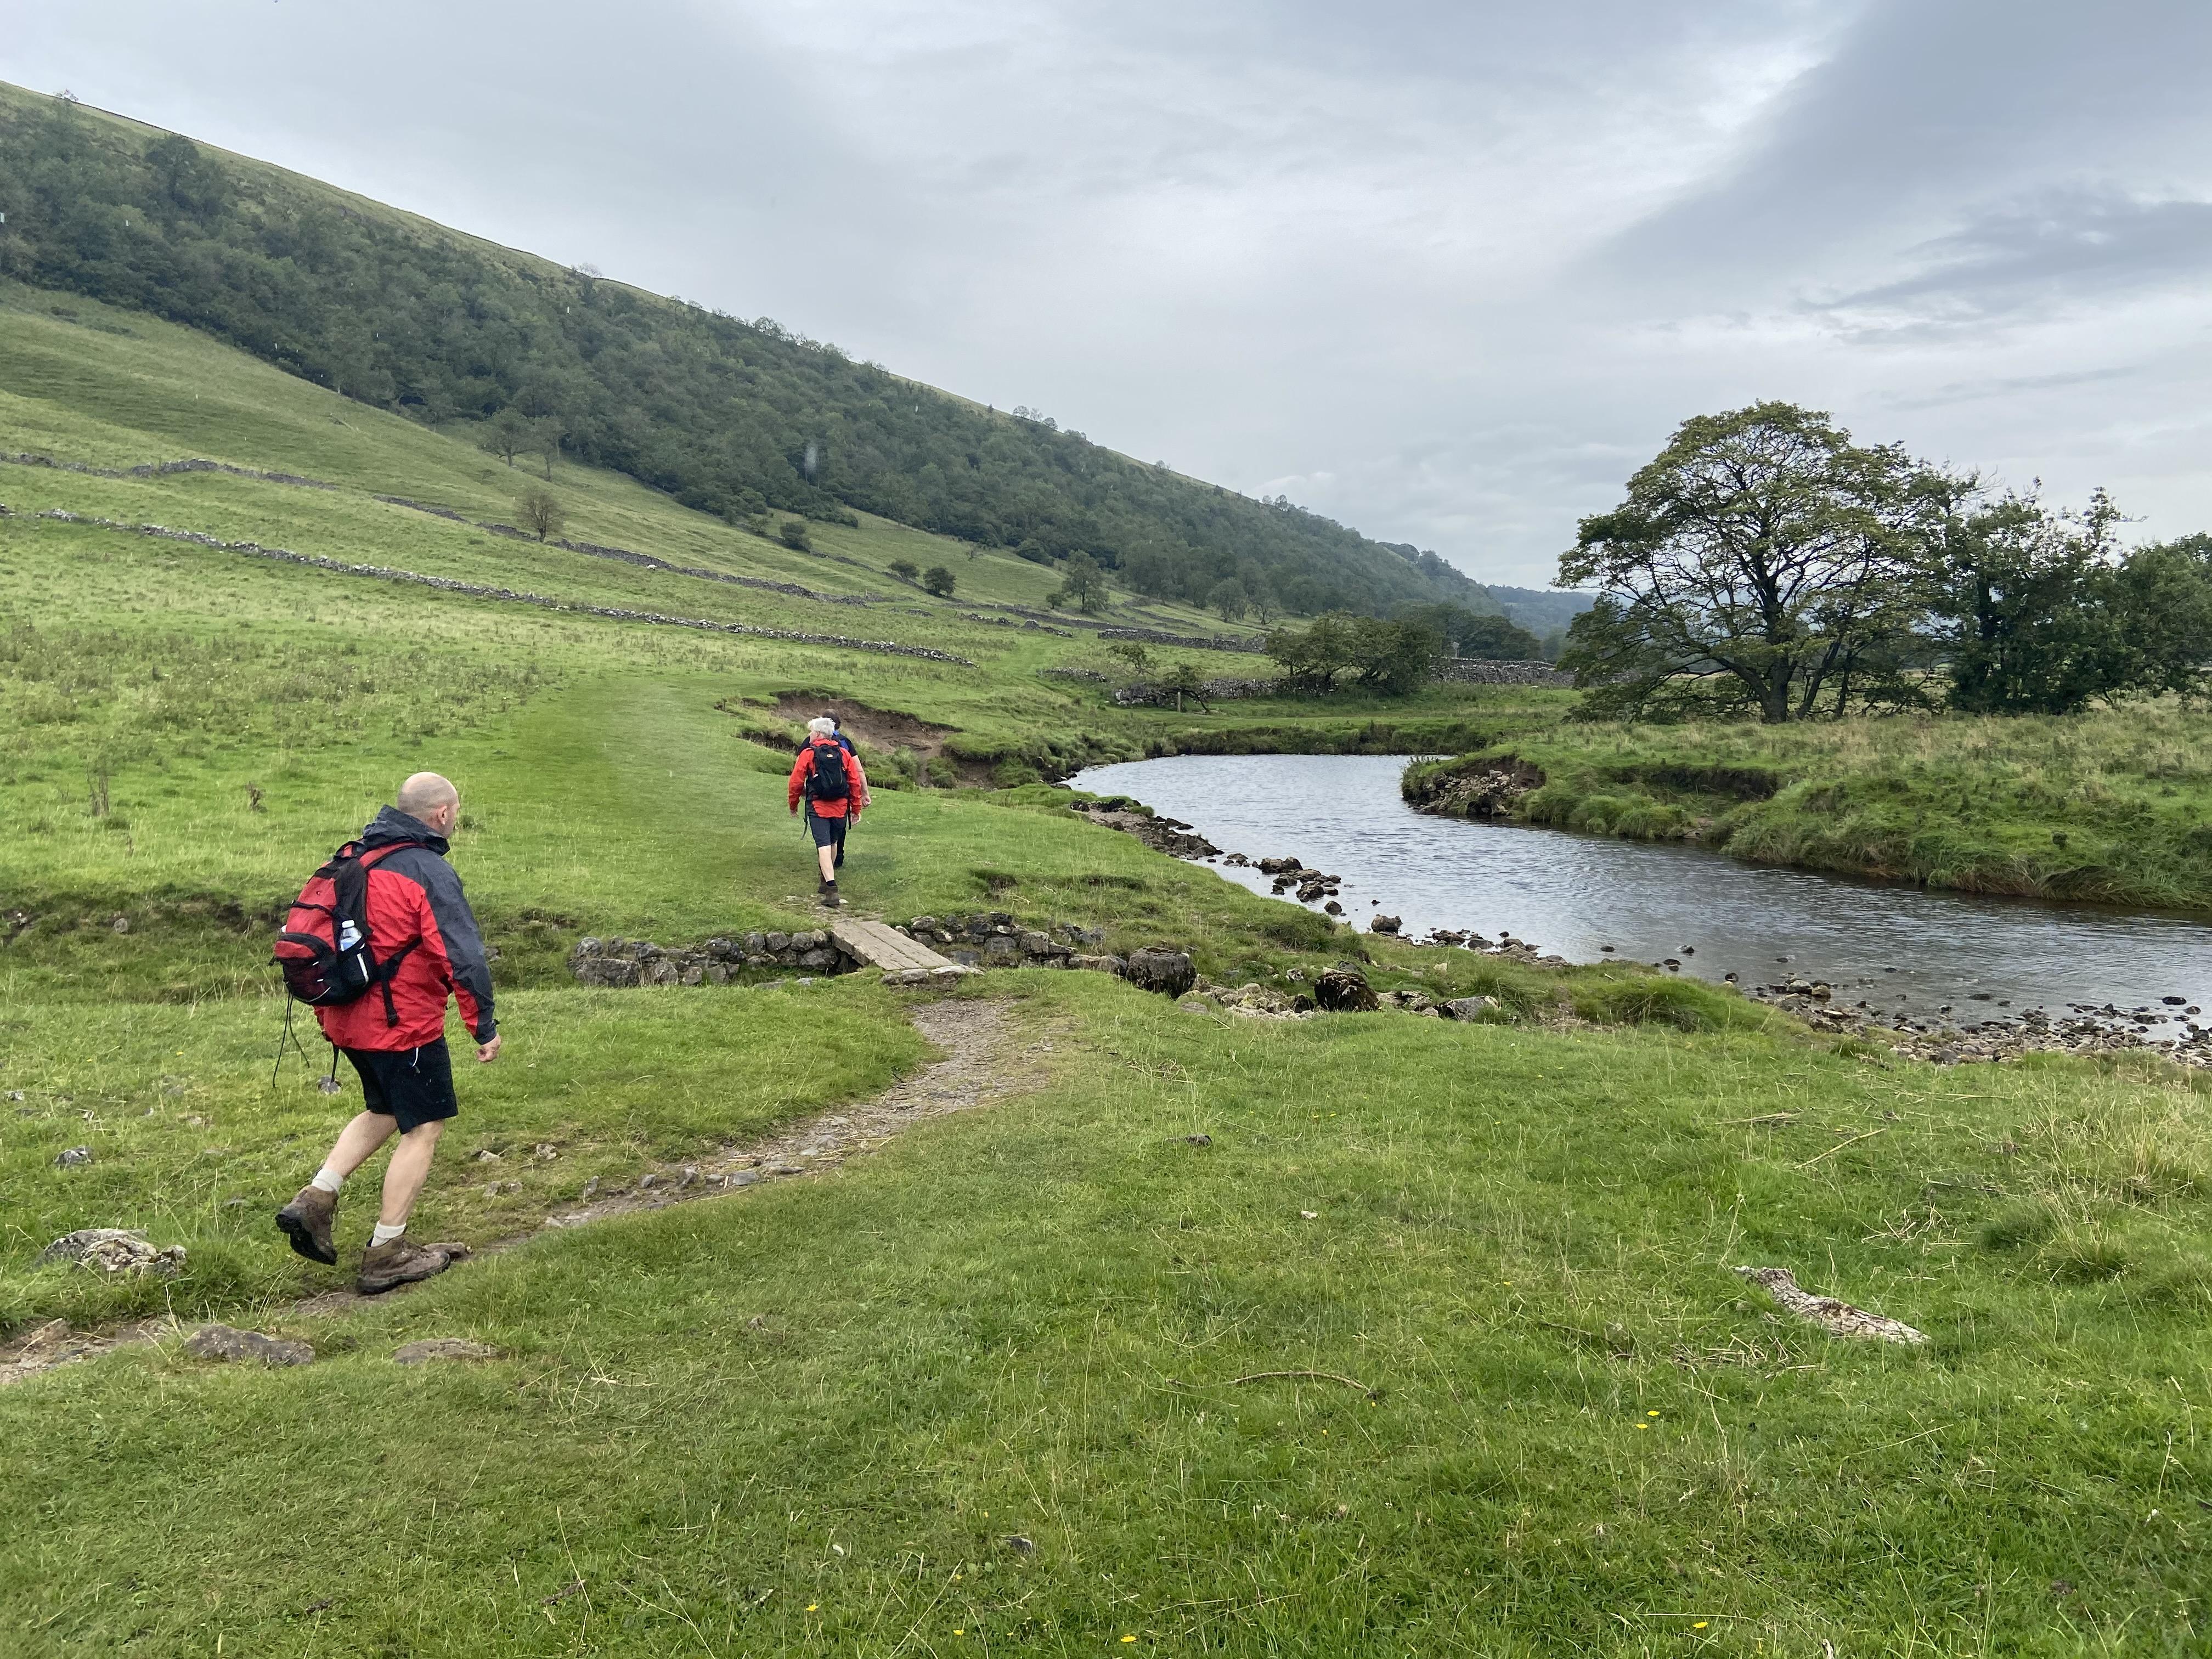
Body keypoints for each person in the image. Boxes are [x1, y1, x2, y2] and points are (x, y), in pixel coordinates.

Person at [274, 772, 501, 1293]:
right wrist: (482, 1025)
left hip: (344, 1017)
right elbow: (461, 957)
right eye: (456, 812)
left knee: (384, 1109)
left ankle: (316, 1199)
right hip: (402, 1027)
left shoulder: (354, 858)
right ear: (442, 814)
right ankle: (387, 1253)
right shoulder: (425, 870)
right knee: (423, 1128)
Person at [788, 716, 870, 907]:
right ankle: (825, 880)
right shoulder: (844, 753)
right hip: (841, 806)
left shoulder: (808, 754)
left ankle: (831, 889)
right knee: (833, 842)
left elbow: (796, 782)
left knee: (823, 845)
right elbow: (854, 783)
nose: (809, 735)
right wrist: (855, 809)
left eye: (810, 732)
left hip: (818, 806)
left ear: (817, 734)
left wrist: (793, 805)